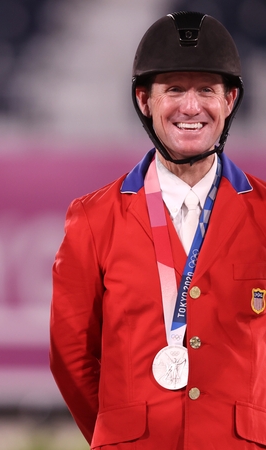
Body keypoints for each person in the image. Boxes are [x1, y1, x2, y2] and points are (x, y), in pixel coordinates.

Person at [50, 11, 266, 448]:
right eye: (174, 90)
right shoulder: (93, 218)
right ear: (145, 101)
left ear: (230, 100)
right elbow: (71, 356)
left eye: (206, 89)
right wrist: (118, 432)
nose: (191, 106)